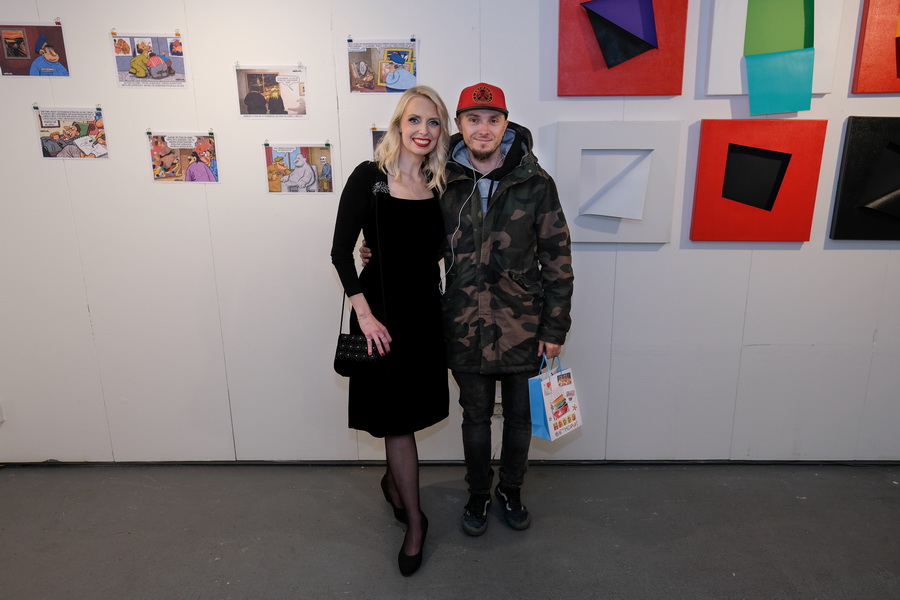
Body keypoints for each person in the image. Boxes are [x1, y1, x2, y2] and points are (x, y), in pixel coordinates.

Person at [361, 82, 573, 535]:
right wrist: (374, 248)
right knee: (474, 417)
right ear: (458, 124)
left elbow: (557, 258)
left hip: (522, 326)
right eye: (473, 120)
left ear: (506, 123)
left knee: (519, 419)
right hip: (462, 324)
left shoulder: (535, 182)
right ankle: (478, 493)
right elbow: (413, 235)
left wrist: (554, 328)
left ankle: (510, 489)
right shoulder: (441, 180)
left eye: (493, 120)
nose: (483, 129)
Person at [330, 85, 451, 576]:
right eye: (415, 120)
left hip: (424, 316)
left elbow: (436, 252)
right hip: (379, 317)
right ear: (399, 124)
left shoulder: (440, 185)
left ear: (442, 132)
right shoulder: (370, 177)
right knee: (397, 422)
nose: (423, 130)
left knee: (409, 412)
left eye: (434, 122)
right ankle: (416, 522)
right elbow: (341, 253)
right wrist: (364, 315)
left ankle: (392, 483)